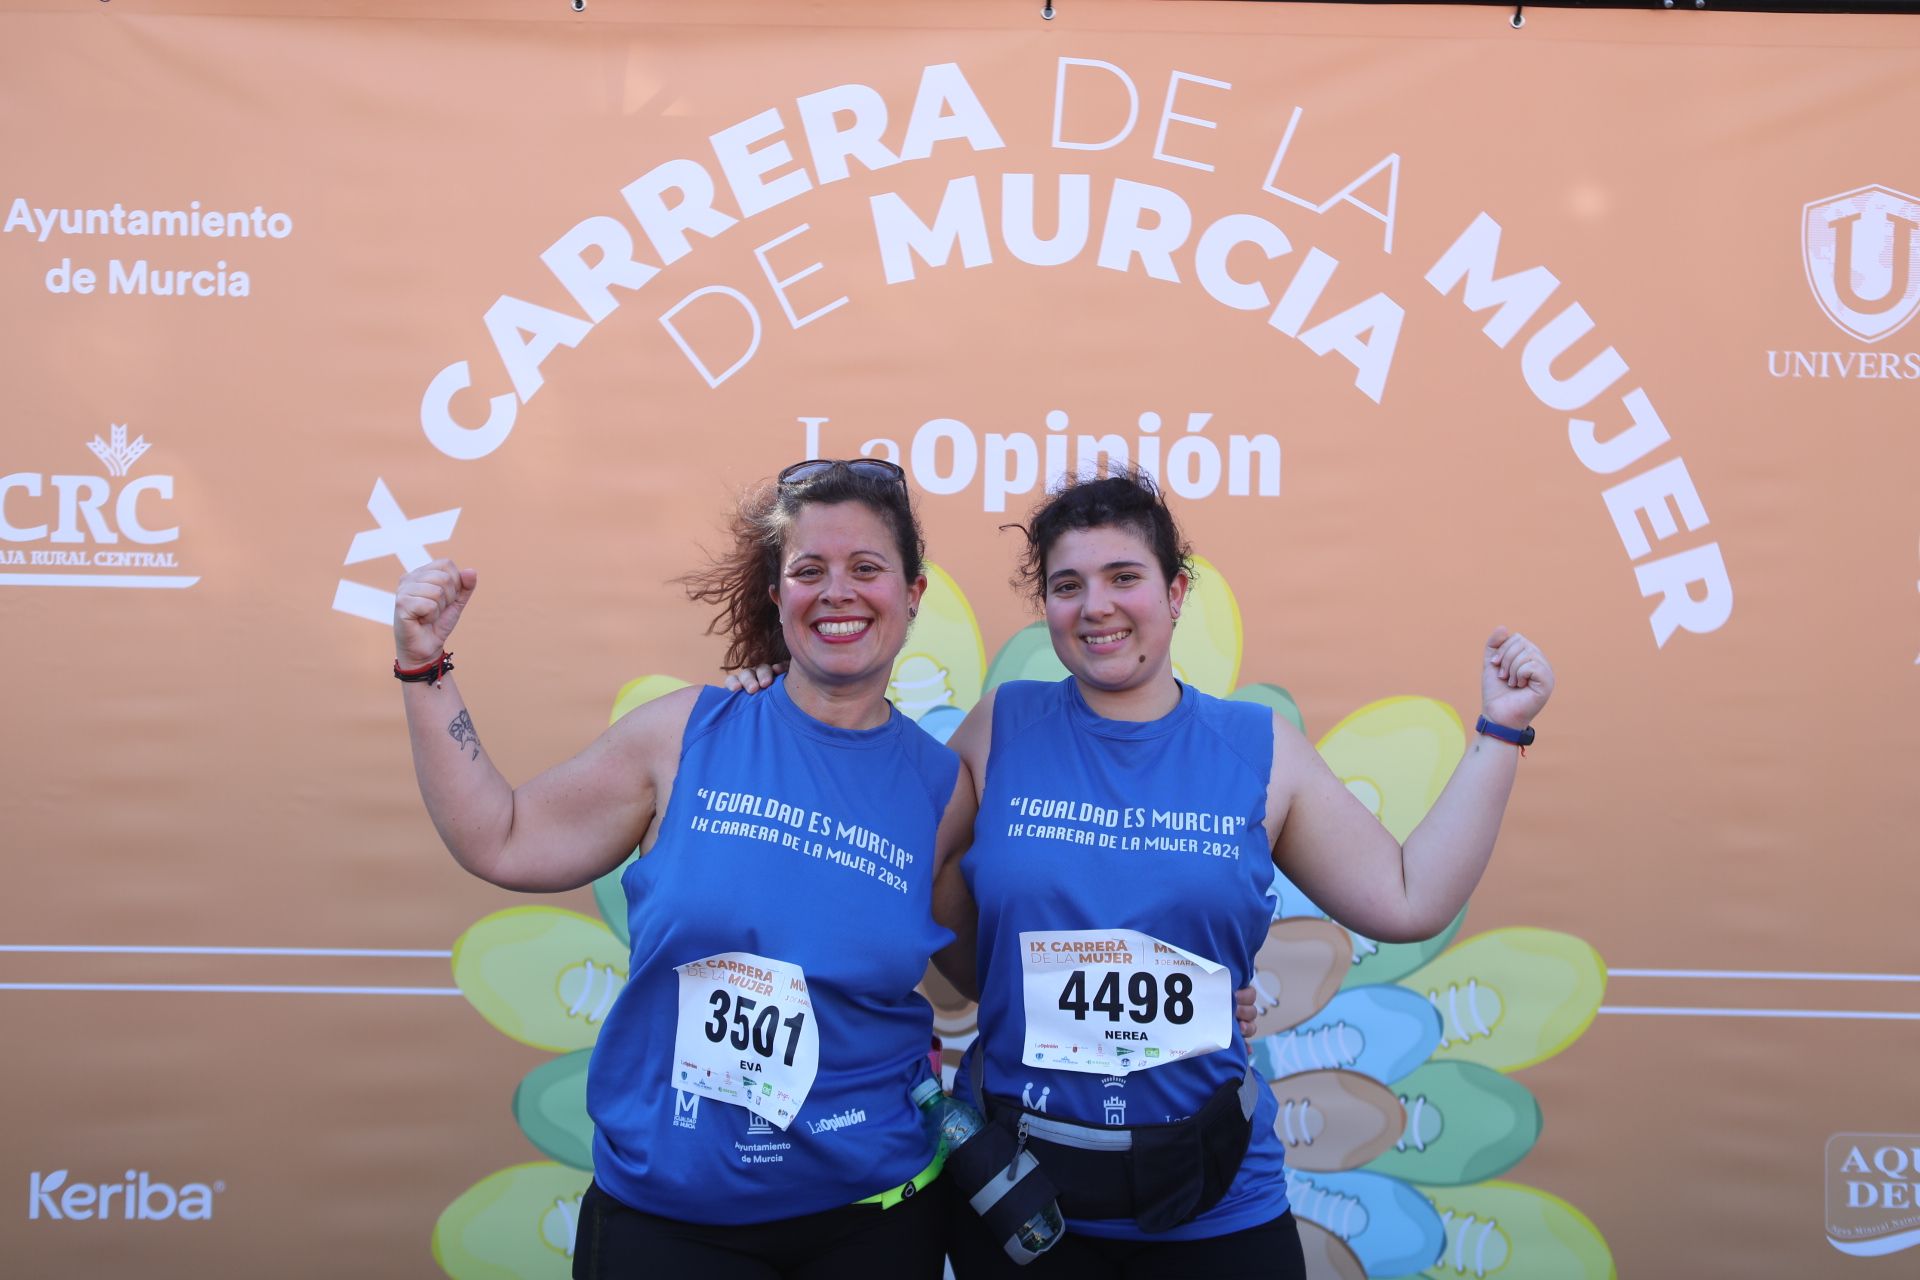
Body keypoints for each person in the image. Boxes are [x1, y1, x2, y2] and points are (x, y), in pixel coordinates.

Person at [931, 467, 1556, 1279]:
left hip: (1215, 1207)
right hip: (1027, 1208)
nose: (1097, 607)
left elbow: (1408, 898)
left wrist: (1499, 736)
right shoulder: (1000, 727)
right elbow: (898, 869)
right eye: (1067, 585)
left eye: (1126, 577)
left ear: (1176, 590)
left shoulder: (1258, 747)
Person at [393, 458, 972, 1280]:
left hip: (871, 1217)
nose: (837, 591)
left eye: (867, 568)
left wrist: (1217, 989)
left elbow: (975, 970)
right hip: (672, 1224)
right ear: (778, 595)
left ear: (912, 594)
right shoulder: (683, 735)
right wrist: (424, 667)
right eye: (808, 570)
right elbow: (505, 836)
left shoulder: (942, 789)